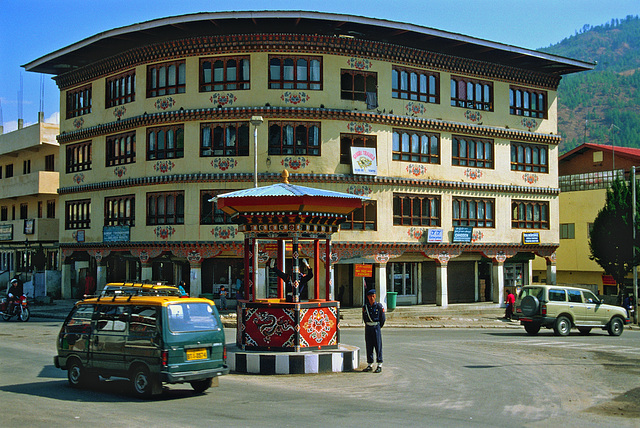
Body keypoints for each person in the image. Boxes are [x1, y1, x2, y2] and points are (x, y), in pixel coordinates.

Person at [362, 289, 385, 373]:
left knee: (378, 345)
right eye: (369, 296)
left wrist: (378, 326)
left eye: (373, 296)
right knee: (369, 345)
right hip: (368, 327)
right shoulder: (365, 307)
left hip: (376, 326)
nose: (371, 298)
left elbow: (382, 319)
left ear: (375, 296)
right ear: (367, 297)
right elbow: (364, 318)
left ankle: (379, 364)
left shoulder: (379, 306)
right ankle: (369, 364)